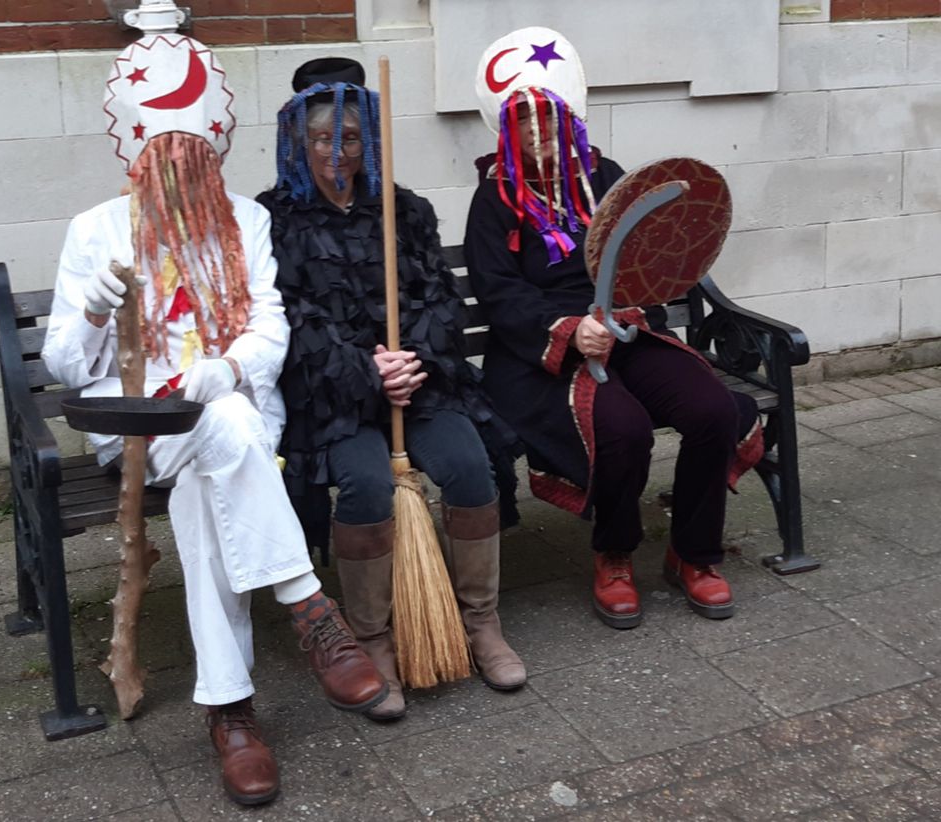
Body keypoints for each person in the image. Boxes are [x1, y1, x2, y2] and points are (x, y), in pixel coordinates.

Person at [41, 34, 387, 807]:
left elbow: (269, 324)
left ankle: (230, 710)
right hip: (136, 425)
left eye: (194, 162)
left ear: (214, 160)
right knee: (222, 435)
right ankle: (310, 608)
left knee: (211, 470)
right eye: (165, 163)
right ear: (139, 162)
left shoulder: (244, 222)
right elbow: (65, 365)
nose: (181, 178)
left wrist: (226, 371)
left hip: (231, 419)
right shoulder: (95, 230)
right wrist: (93, 310)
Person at [463, 28, 765, 629]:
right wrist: (570, 330)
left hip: (625, 329)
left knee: (712, 409)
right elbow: (499, 293)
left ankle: (693, 553)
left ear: (569, 117)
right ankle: (615, 553)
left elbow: (647, 260)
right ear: (506, 129)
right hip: (540, 353)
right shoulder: (494, 198)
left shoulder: (607, 178)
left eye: (548, 117)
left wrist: (628, 307)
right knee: (622, 427)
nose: (537, 131)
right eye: (523, 120)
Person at [255, 58, 526, 722]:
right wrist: (366, 371)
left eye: (349, 138)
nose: (336, 154)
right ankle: (371, 638)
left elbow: (440, 300)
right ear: (299, 141)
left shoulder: (404, 210)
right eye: (322, 139)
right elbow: (290, 320)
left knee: (469, 467)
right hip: (334, 399)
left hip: (419, 387)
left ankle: (480, 621)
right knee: (367, 485)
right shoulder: (273, 220)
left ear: (370, 140)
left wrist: (411, 362)